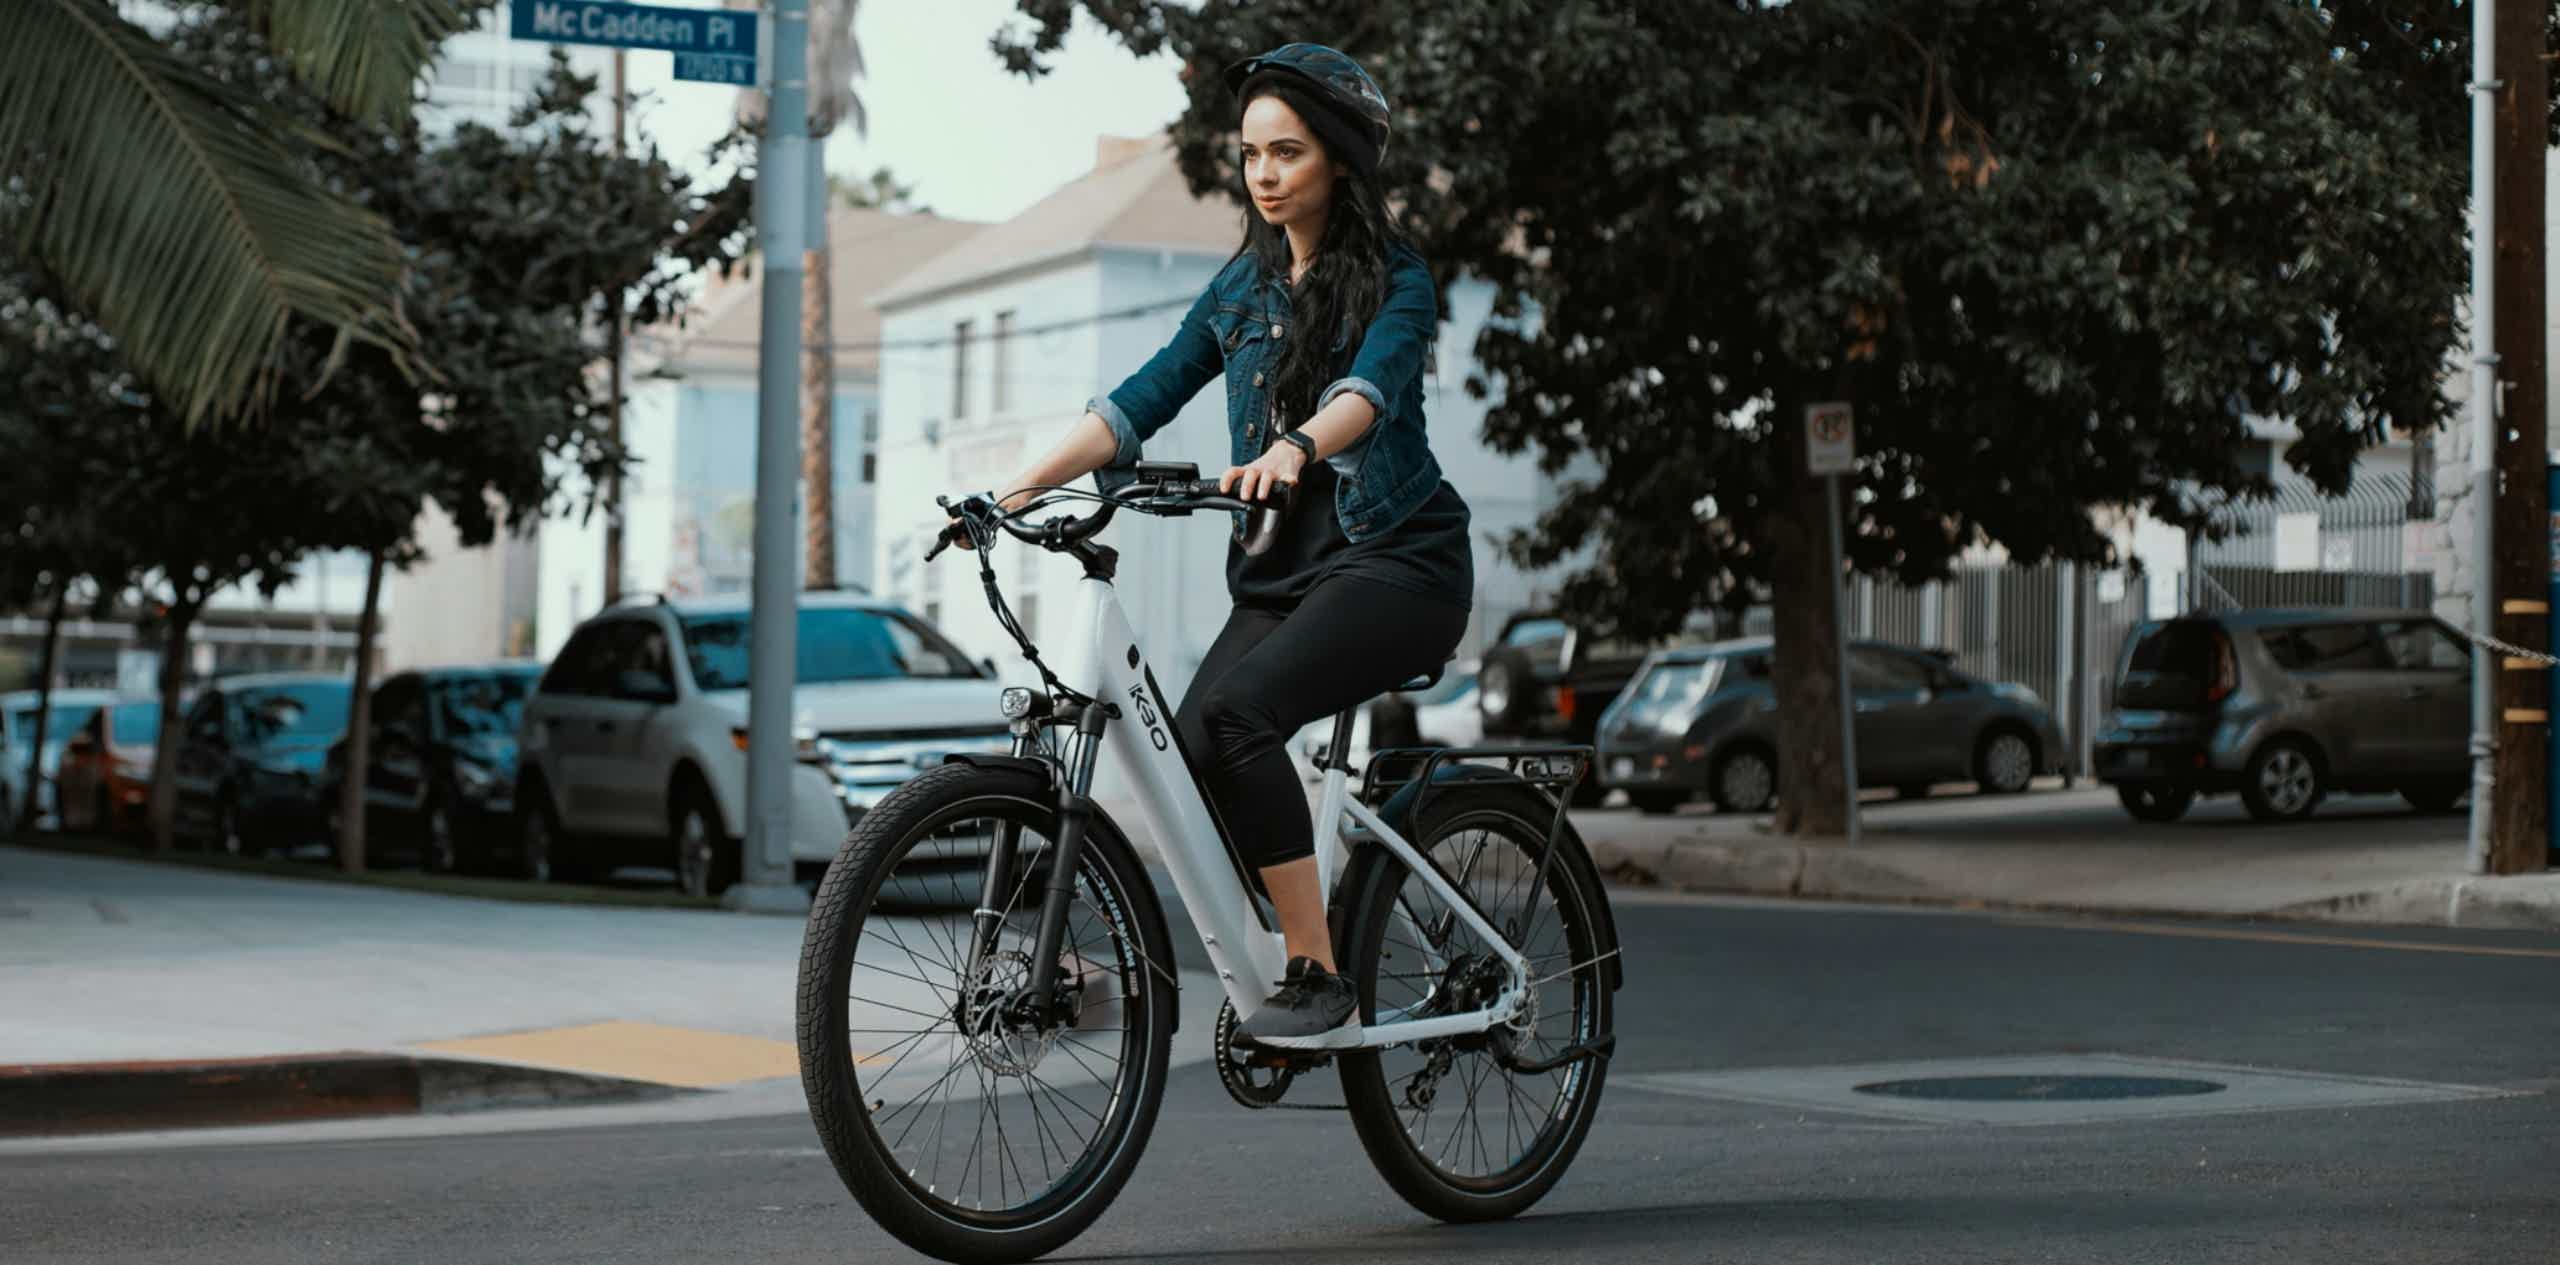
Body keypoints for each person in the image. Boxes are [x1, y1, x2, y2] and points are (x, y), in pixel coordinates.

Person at [973, 43, 1473, 1049]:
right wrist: (1017, 483)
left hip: (1398, 560)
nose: (1265, 174)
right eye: (1250, 155)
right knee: (1197, 745)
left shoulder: (1395, 277)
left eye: (1286, 151)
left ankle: (1315, 966)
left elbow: (1367, 393)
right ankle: (1281, 927)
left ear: (1335, 158)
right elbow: (1140, 399)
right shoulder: (1239, 290)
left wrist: (1294, 445)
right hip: (1284, 573)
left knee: (1237, 715)